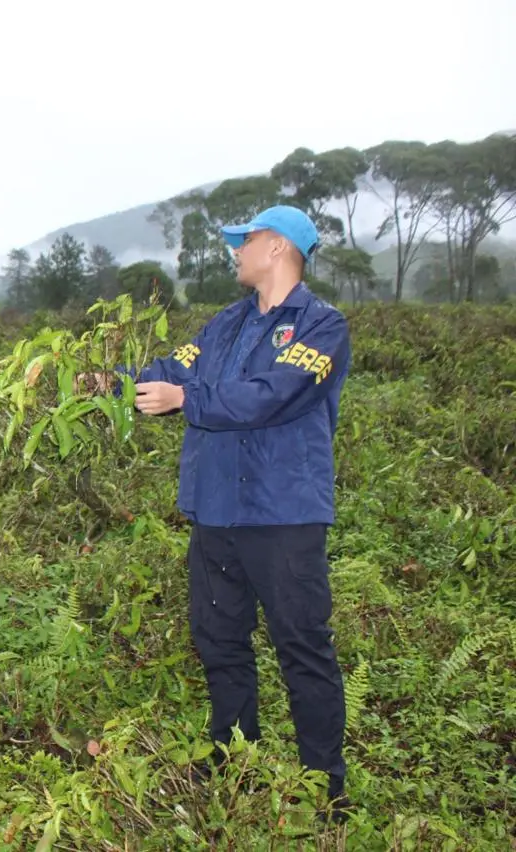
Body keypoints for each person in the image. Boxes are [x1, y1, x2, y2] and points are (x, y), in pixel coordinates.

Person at [129, 205, 353, 820]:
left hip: (282, 515)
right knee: (219, 638)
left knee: (302, 645)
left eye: (244, 240)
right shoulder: (222, 325)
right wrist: (110, 383)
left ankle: (323, 787)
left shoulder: (321, 327)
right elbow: (172, 370)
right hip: (217, 511)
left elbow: (270, 396)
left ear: (278, 247)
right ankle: (233, 755)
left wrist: (185, 398)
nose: (235, 251)